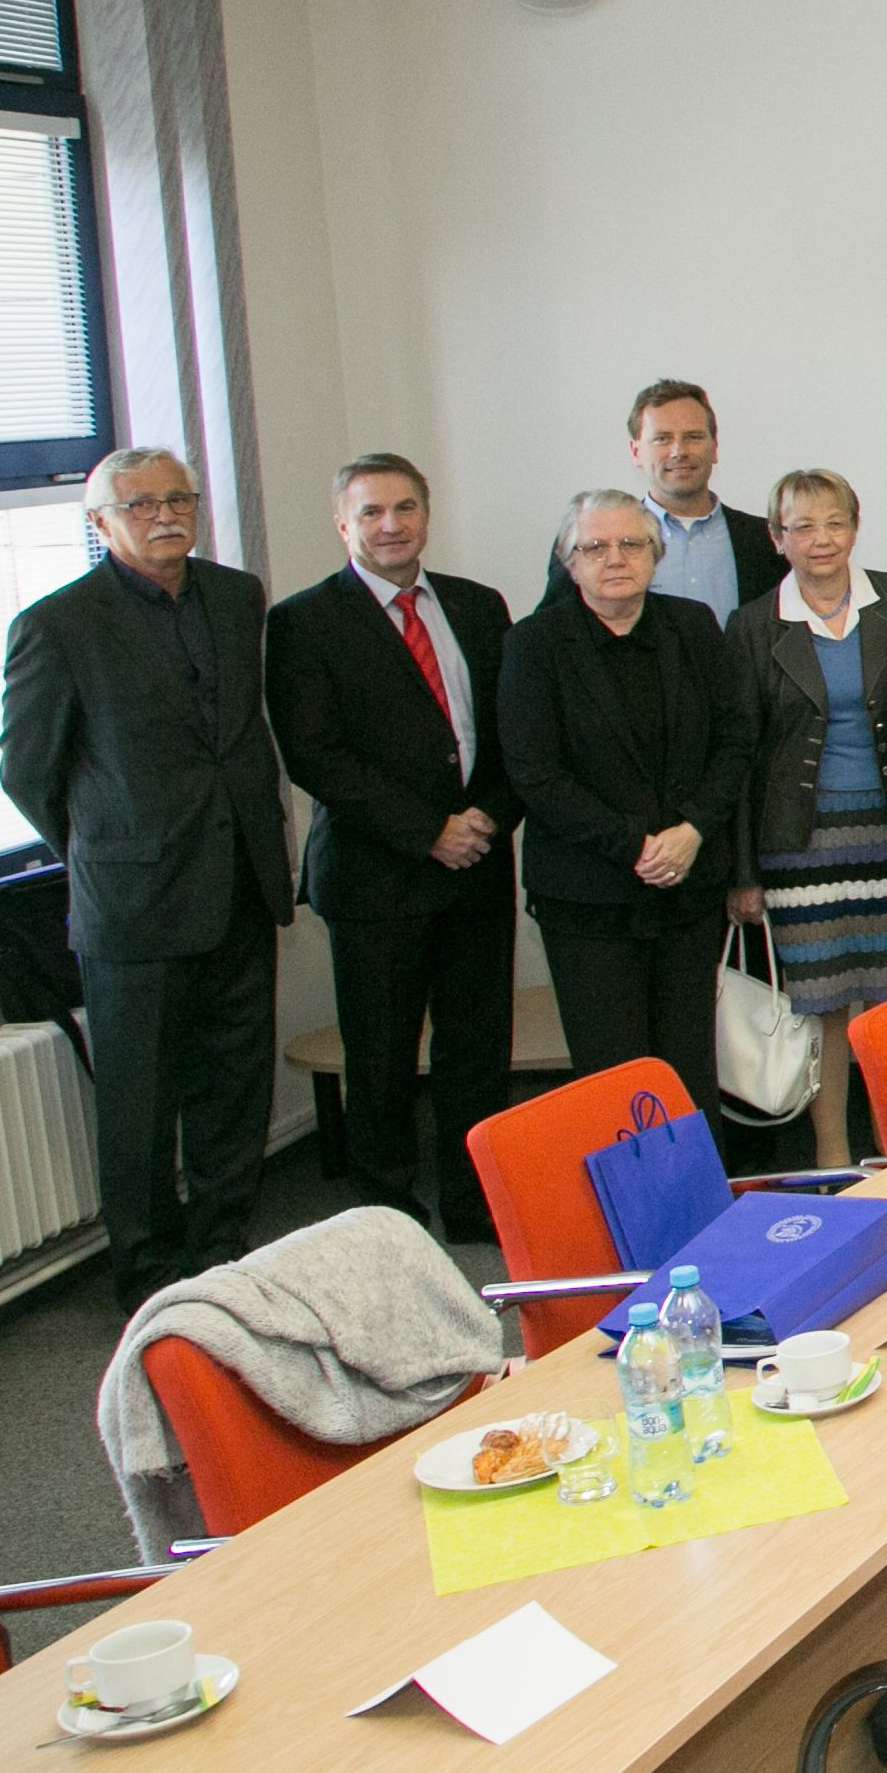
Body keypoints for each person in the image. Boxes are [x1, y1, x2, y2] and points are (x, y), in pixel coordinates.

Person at [1, 449, 294, 1308]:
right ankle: (150, 1282)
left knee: (235, 1089)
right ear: (100, 523)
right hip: (133, 904)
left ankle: (224, 1257)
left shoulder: (237, 596)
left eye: (177, 498)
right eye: (138, 504)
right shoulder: (57, 625)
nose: (164, 515)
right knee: (140, 1104)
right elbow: (28, 773)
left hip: (240, 880)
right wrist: (105, 848)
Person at [265, 454, 519, 1237]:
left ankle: (476, 1204)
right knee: (380, 1057)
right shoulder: (303, 622)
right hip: (376, 877)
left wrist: (486, 819)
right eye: (371, 512)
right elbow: (316, 755)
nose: (390, 525)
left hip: (477, 867)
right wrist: (427, 831)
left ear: (426, 515)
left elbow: (514, 732)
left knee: (478, 1049)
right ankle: (387, 1217)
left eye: (405, 507)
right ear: (342, 524)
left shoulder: (478, 606)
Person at [502, 489, 755, 1155]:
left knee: (688, 1067)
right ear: (569, 561)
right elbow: (534, 772)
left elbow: (735, 739)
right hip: (589, 896)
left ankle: (702, 1205)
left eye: (631, 544)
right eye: (594, 547)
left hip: (688, 887)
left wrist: (693, 830)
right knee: (614, 1076)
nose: (615, 558)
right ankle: (627, 1213)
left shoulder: (692, 626)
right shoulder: (534, 643)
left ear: (655, 554)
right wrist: (636, 847)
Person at [724, 469, 887, 1168]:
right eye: (803, 527)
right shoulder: (753, 624)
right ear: (776, 537)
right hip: (799, 844)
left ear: (855, 526)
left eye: (835, 522)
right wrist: (743, 872)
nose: (821, 539)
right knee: (822, 1006)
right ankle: (833, 1153)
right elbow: (740, 755)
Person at [624, 380, 783, 615]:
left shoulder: (767, 540)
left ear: (715, 446)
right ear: (635, 452)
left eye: (693, 437)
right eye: (662, 439)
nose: (679, 451)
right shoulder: (603, 545)